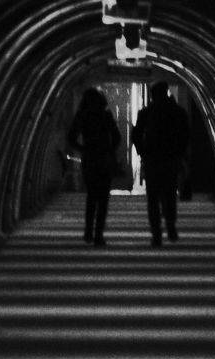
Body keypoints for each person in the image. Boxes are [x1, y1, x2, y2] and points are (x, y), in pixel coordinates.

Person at [130, 81, 189, 246]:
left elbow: (135, 135)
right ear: (166, 92)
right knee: (170, 194)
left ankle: (156, 233)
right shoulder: (178, 112)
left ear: (152, 95)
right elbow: (186, 135)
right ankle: (170, 226)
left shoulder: (146, 113)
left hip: (153, 160)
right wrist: (180, 154)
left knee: (153, 198)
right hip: (170, 159)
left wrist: (142, 152)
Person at [65, 88, 120, 246]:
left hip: (90, 159)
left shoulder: (82, 116)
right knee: (103, 199)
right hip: (104, 159)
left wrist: (83, 149)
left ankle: (89, 231)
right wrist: (110, 150)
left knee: (91, 196)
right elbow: (117, 137)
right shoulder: (106, 115)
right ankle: (98, 234)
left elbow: (71, 137)